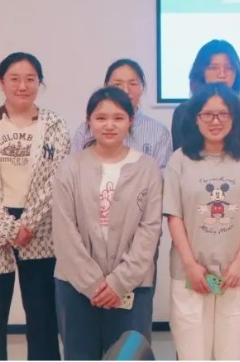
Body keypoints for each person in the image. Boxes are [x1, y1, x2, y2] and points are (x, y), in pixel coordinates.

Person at [0, 52, 70, 361]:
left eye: (30, 79)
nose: (22, 86)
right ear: (1, 82)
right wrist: (7, 230)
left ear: (39, 83)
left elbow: (57, 181)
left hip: (41, 231)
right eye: (14, 79)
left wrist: (29, 224)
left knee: (44, 320)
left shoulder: (55, 126)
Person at [164, 83, 240, 360]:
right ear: (196, 118)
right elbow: (174, 216)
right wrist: (190, 265)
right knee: (192, 353)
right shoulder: (180, 159)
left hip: (234, 274)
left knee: (232, 353)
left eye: (223, 114)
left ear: (234, 118)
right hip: (191, 274)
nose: (215, 121)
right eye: (208, 114)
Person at [52, 87, 163, 360]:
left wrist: (118, 283)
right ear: (88, 121)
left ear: (131, 121)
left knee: (129, 355)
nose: (109, 125)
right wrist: (93, 285)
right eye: (101, 118)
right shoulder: (69, 168)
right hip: (75, 287)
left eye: (118, 118)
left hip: (132, 287)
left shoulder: (148, 168)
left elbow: (150, 230)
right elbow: (64, 231)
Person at [71, 59, 172, 168]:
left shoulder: (158, 132)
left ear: (142, 88)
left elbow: (161, 174)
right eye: (117, 84)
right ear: (106, 87)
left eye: (132, 84)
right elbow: (73, 168)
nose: (125, 90)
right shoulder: (85, 131)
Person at [172, 39, 240, 149]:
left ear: (237, 73)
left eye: (229, 68)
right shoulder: (183, 111)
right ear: (201, 72)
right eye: (214, 68)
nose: (222, 75)